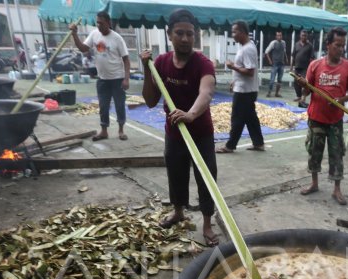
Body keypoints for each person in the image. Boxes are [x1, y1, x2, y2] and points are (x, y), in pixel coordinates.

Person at [140, 9, 218, 246]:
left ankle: (206, 222)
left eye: (190, 34)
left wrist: (191, 114)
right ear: (169, 34)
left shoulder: (203, 63)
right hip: (174, 132)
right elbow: (151, 100)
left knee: (206, 178)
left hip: (200, 132)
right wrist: (146, 67)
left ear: (195, 36)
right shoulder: (161, 63)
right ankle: (178, 211)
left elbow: (207, 92)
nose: (185, 38)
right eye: (180, 33)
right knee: (176, 173)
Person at [297, 27, 348, 205]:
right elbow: (306, 92)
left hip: (335, 120)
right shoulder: (315, 65)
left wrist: (341, 99)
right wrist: (303, 85)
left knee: (336, 153)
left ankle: (336, 189)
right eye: (337, 45)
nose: (340, 49)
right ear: (328, 45)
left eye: (342, 46)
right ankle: (314, 183)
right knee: (314, 151)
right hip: (316, 118)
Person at [70, 13, 130, 142]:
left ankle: (121, 130)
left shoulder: (117, 38)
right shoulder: (94, 34)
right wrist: (74, 34)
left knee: (119, 105)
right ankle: (104, 131)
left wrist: (126, 79)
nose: (99, 25)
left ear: (108, 23)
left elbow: (126, 59)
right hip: (102, 79)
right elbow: (82, 48)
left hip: (117, 79)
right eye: (97, 22)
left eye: (101, 23)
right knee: (103, 106)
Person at [216, 20, 264, 154]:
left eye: (234, 32)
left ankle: (230, 145)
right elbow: (244, 70)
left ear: (242, 32)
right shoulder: (245, 47)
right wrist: (234, 80)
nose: (233, 35)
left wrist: (233, 67)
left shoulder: (248, 48)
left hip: (245, 92)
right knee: (250, 118)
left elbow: (250, 72)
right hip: (245, 89)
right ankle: (259, 143)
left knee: (237, 118)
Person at [291, 30, 314, 107]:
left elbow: (312, 57)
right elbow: (293, 55)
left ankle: (303, 98)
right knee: (295, 82)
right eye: (302, 35)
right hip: (297, 67)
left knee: (304, 82)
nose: (304, 37)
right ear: (300, 36)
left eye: (305, 35)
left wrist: (311, 68)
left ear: (307, 36)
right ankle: (299, 96)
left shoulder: (310, 46)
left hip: (305, 68)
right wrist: (291, 66)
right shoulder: (296, 44)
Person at [264, 31, 288, 97]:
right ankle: (269, 92)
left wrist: (286, 58)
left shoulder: (284, 43)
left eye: (280, 35)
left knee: (279, 80)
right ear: (276, 36)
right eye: (278, 35)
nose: (279, 37)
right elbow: (266, 52)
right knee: (272, 80)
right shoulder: (273, 43)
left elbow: (284, 51)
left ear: (282, 36)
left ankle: (277, 93)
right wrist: (269, 60)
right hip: (275, 64)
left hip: (282, 64)